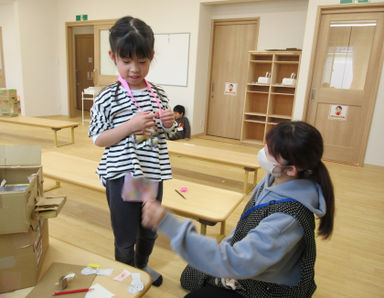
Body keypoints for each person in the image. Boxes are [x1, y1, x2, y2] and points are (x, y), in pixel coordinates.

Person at [142, 121, 335, 297]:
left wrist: (168, 223)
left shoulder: (288, 218)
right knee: (191, 274)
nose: (263, 152)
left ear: (291, 169)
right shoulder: (273, 178)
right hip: (251, 260)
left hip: (269, 287)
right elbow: (246, 226)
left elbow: (236, 262)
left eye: (270, 151)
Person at [88, 16, 177, 287]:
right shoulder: (108, 97)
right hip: (121, 175)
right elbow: (98, 139)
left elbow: (165, 136)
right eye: (126, 61)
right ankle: (125, 274)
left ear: (151, 56)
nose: (134, 69)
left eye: (142, 61)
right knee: (126, 236)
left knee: (148, 230)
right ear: (112, 57)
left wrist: (168, 124)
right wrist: (131, 125)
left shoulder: (158, 94)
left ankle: (142, 266)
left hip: (149, 173)